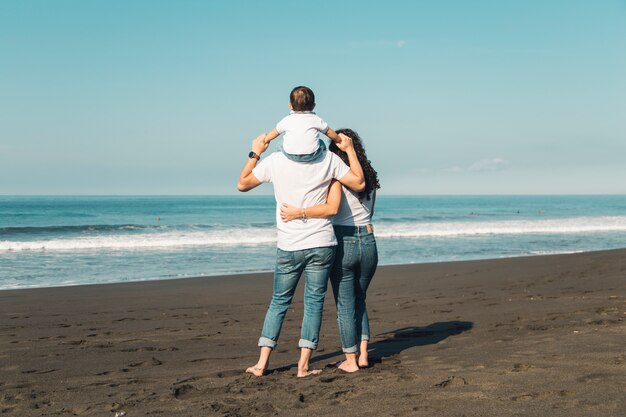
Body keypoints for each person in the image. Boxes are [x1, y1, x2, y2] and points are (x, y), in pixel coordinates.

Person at [237, 131, 365, 377]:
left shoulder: (275, 160)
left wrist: (256, 151)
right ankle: (303, 366)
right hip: (321, 243)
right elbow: (356, 185)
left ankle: (261, 364)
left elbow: (242, 184)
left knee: (279, 302)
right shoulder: (329, 161)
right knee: (314, 303)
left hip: (289, 244)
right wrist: (349, 150)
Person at [280, 128, 380, 369]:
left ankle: (351, 361)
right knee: (360, 300)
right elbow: (370, 213)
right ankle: (364, 355)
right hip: (368, 240)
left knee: (346, 305)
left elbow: (329, 209)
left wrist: (297, 213)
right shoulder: (370, 179)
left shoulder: (335, 177)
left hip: (343, 241)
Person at [261, 86, 341, 162]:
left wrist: (265, 139)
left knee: (280, 143)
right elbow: (328, 132)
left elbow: (275, 132)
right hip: (312, 154)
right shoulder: (316, 119)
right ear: (313, 106)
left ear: (290, 106)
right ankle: (322, 158)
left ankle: (282, 158)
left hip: (290, 154)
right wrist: (339, 139)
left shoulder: (286, 120)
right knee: (321, 143)